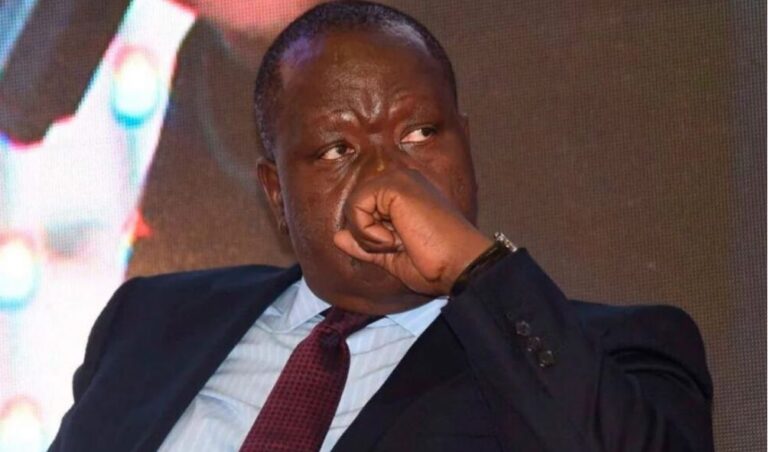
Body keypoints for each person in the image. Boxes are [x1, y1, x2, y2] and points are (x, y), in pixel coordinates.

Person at [49, 2, 713, 451]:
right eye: (337, 149)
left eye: (420, 133)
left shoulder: (602, 352)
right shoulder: (150, 321)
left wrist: (477, 270)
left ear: (467, 144)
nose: (386, 178)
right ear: (276, 193)